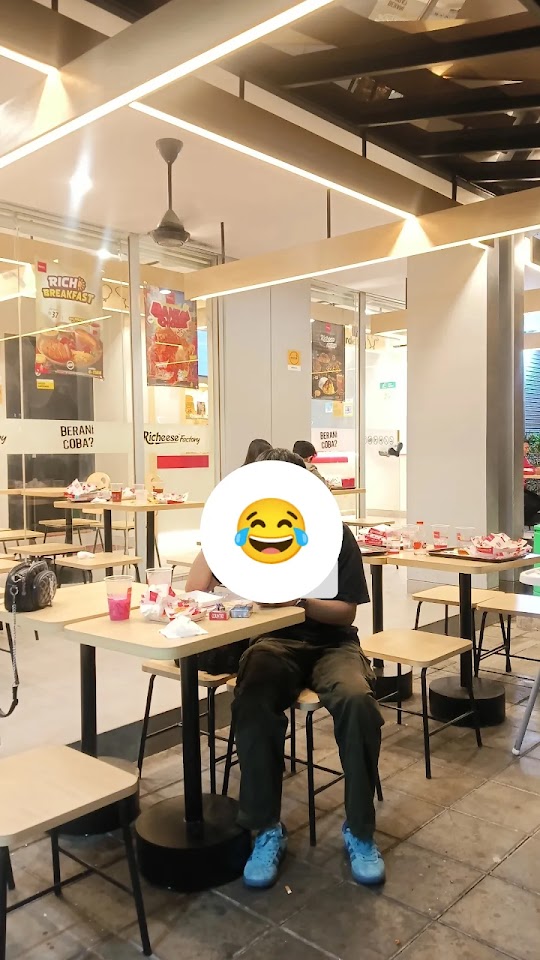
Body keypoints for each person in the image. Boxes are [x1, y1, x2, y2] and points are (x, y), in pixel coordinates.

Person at [186, 447, 385, 889]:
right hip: (273, 643)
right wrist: (215, 538)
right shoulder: (247, 532)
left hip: (333, 643)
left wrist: (299, 601)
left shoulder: (334, 534)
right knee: (252, 699)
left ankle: (359, 829)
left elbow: (346, 612)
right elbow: (194, 590)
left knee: (357, 701)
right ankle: (265, 829)